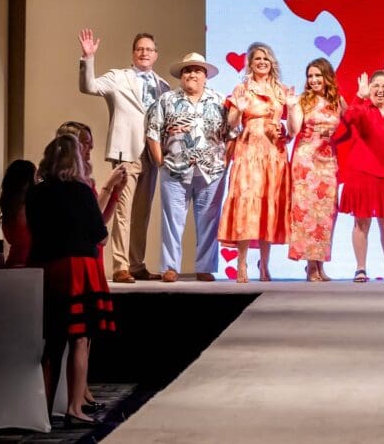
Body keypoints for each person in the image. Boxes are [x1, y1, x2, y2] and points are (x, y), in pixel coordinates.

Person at [26, 134, 115, 425]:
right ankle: (74, 407)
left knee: (51, 342)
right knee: (79, 339)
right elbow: (99, 234)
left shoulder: (35, 193)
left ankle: (43, 408)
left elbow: (34, 231)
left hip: (47, 268)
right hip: (79, 269)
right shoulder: (81, 191)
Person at [78, 29, 170, 283]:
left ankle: (137, 263)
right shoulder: (118, 77)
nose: (144, 53)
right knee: (123, 211)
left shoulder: (164, 86)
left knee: (142, 213)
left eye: (149, 49)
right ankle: (120, 266)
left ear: (156, 55)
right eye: (140, 49)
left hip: (151, 154)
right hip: (126, 151)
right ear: (133, 53)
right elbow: (89, 86)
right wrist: (88, 58)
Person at [146, 52, 234, 283]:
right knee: (172, 221)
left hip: (211, 170)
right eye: (187, 70)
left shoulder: (219, 101)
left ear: (206, 76)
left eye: (197, 70)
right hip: (174, 169)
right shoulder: (167, 100)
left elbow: (232, 134)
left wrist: (226, 161)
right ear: (181, 76)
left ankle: (205, 267)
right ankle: (169, 267)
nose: (192, 74)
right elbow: (153, 132)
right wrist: (159, 161)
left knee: (208, 220)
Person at [219, 43, 291, 282]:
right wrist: (238, 111)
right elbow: (231, 124)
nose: (262, 62)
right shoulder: (243, 89)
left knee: (268, 206)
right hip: (249, 150)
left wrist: (286, 134)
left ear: (272, 64)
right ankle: (241, 264)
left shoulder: (281, 91)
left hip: (274, 153)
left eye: (266, 59)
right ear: (250, 63)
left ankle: (265, 265)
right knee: (246, 205)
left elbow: (291, 128)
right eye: (258, 58)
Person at [341, 71, 384, 282]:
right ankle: (360, 267)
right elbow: (348, 118)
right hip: (361, 174)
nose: (380, 89)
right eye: (376, 85)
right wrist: (360, 95)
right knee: (362, 222)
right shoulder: (363, 110)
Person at [286, 58, 343, 282]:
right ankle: (310, 265)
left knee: (326, 214)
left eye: (318, 75)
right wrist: (291, 108)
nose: (314, 80)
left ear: (327, 76)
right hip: (306, 161)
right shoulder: (303, 101)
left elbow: (352, 122)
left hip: (328, 160)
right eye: (310, 76)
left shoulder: (337, 101)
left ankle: (320, 263)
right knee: (307, 212)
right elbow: (293, 130)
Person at [0, 159, 37, 267]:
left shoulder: (9, 207)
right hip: (31, 263)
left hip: (12, 262)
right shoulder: (32, 206)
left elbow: (10, 238)